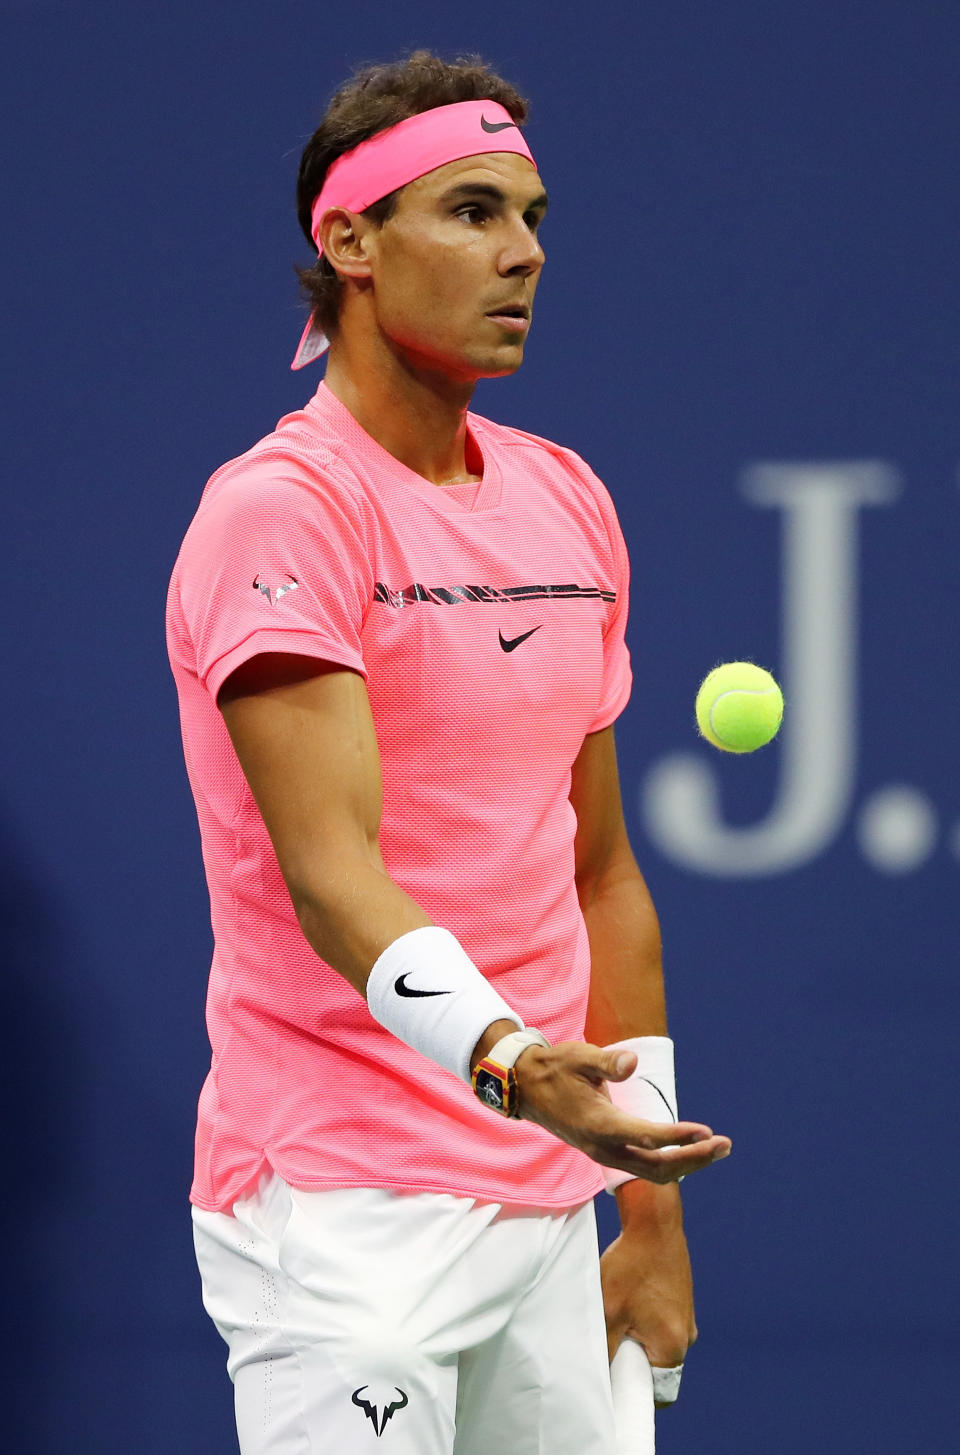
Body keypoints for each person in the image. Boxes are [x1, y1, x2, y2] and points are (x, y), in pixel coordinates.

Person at [166, 48, 731, 1455]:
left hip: (547, 1199)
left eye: (534, 218)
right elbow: (327, 871)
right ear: (348, 241)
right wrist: (504, 1054)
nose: (523, 253)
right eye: (472, 211)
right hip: (341, 1216)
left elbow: (599, 876)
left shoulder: (567, 498)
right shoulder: (282, 515)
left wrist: (647, 1214)